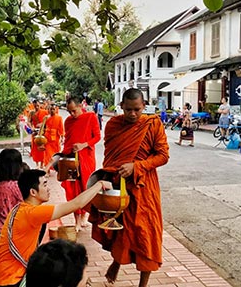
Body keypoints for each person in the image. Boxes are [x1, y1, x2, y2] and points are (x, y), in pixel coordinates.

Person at [90, 88, 169, 287]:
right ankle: (117, 262)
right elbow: (110, 156)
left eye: (137, 110)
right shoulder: (113, 125)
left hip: (144, 186)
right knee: (120, 229)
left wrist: (137, 166)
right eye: (128, 110)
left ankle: (143, 283)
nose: (132, 114)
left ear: (144, 106)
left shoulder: (153, 124)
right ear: (121, 107)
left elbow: (163, 156)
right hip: (118, 185)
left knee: (146, 232)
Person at [0, 169, 112, 287]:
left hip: (0, 274)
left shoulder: (20, 208)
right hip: (10, 280)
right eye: (44, 185)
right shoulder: (32, 213)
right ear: (33, 192)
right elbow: (76, 204)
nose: (48, 189)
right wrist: (99, 184)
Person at [62, 97, 101, 231]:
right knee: (73, 189)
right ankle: (76, 219)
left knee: (85, 187)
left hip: (86, 158)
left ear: (80, 105)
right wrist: (64, 155)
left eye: (73, 111)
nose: (72, 114)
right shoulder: (68, 121)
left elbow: (97, 137)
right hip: (71, 158)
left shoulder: (91, 117)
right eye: (69, 112)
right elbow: (67, 139)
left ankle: (84, 216)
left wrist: (83, 145)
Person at [29, 100, 49, 168]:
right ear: (33, 105)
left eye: (38, 105)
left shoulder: (44, 112)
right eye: (35, 106)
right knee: (35, 149)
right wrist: (32, 128)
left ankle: (42, 164)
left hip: (43, 132)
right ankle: (37, 164)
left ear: (39, 105)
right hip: (35, 132)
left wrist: (43, 123)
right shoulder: (32, 113)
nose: (37, 107)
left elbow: (48, 120)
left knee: (42, 148)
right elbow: (29, 122)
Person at [43, 104, 64, 169]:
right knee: (48, 154)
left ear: (56, 110)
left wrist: (62, 137)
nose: (52, 111)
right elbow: (43, 127)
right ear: (48, 110)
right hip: (47, 138)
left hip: (55, 138)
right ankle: (48, 169)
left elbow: (61, 128)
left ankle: (54, 167)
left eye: (53, 109)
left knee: (55, 154)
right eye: (50, 109)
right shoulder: (46, 118)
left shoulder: (59, 118)